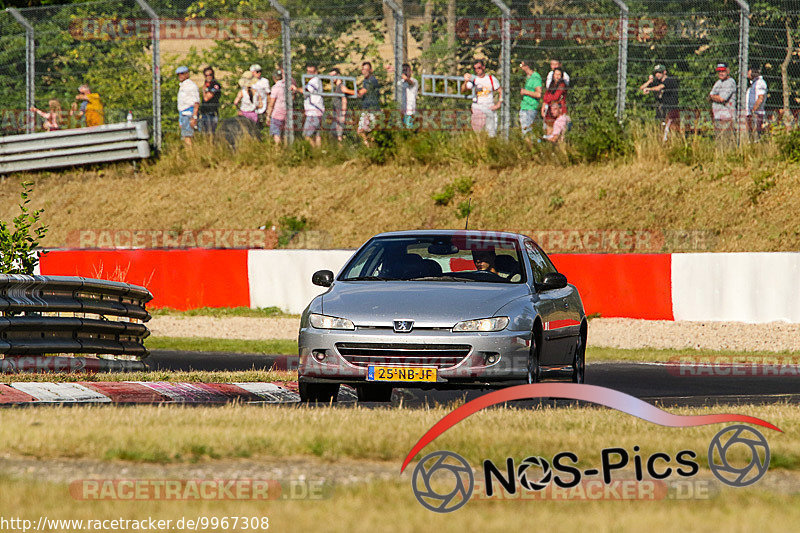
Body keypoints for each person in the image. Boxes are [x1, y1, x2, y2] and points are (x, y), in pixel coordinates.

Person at [342, 61, 381, 145]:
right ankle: (369, 145)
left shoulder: (372, 80)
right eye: (363, 69)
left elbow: (361, 92)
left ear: (371, 70)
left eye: (366, 69)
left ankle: (373, 146)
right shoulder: (365, 81)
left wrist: (347, 90)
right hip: (366, 109)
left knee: (371, 131)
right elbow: (360, 94)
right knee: (361, 130)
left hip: (373, 110)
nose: (364, 71)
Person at [461, 59, 502, 137]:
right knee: (478, 133)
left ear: (483, 67)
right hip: (478, 107)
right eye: (475, 68)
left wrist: (498, 104)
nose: (477, 70)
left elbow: (500, 91)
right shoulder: (474, 79)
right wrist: (466, 81)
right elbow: (463, 89)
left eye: (479, 68)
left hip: (489, 106)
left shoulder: (491, 79)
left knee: (491, 132)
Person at [640, 64, 680, 141]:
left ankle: (668, 141)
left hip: (670, 108)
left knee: (668, 128)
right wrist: (649, 81)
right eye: (656, 73)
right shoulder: (657, 81)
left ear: (664, 72)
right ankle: (662, 141)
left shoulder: (669, 80)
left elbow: (659, 88)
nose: (657, 74)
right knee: (660, 126)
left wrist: (649, 89)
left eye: (659, 72)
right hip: (661, 109)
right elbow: (642, 87)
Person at [292, 63, 324, 147]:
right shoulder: (313, 80)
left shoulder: (314, 81)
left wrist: (296, 89)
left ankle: (315, 152)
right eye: (308, 71)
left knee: (306, 135)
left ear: (316, 72)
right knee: (317, 135)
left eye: (311, 72)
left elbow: (305, 90)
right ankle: (320, 152)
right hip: (316, 112)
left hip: (313, 113)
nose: (309, 73)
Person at [709, 62, 737, 145]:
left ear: (728, 71)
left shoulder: (730, 82)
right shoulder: (718, 82)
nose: (721, 73)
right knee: (719, 142)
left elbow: (722, 98)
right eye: (719, 71)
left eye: (723, 71)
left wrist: (714, 97)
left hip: (727, 117)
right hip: (718, 116)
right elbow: (710, 95)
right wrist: (714, 97)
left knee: (727, 142)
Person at [175, 66, 199, 146]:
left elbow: (196, 102)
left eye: (182, 74)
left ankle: (190, 154)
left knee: (187, 136)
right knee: (185, 136)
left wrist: (194, 117)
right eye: (179, 74)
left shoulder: (191, 86)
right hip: (183, 113)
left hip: (188, 113)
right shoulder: (182, 86)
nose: (180, 76)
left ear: (187, 74)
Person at [518, 59, 542, 137]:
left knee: (528, 131)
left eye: (522, 65)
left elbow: (538, 94)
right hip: (524, 106)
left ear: (526, 66)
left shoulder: (535, 77)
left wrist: (526, 92)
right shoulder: (528, 77)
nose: (520, 67)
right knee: (524, 130)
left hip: (530, 107)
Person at [266, 69, 287, 144]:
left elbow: (272, 103)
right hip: (286, 112)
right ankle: (286, 148)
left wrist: (268, 115)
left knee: (276, 134)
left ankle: (277, 150)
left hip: (277, 113)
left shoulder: (275, 87)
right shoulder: (286, 86)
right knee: (284, 133)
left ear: (274, 77)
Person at [746, 66, 767, 141]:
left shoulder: (760, 83)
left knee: (756, 136)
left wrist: (754, 109)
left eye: (748, 71)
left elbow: (760, 98)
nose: (747, 73)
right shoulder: (754, 83)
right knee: (750, 136)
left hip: (757, 113)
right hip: (752, 113)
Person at [199, 66, 222, 134]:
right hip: (204, 113)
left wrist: (204, 90)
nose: (208, 77)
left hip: (211, 113)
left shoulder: (215, 85)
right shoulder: (207, 85)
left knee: (210, 133)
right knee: (204, 133)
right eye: (206, 75)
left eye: (210, 75)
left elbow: (206, 98)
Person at [329, 67, 347, 142]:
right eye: (331, 76)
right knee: (333, 134)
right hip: (336, 115)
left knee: (339, 136)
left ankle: (341, 150)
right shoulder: (336, 87)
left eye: (334, 75)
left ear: (338, 75)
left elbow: (344, 100)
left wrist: (343, 114)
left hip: (339, 114)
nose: (332, 78)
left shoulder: (341, 86)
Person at [250, 64, 271, 129]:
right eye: (256, 72)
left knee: (262, 123)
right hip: (253, 106)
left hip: (263, 106)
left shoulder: (264, 81)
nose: (258, 73)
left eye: (259, 71)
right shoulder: (250, 82)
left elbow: (268, 94)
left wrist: (268, 107)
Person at [399, 63, 418, 128]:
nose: (405, 72)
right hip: (402, 109)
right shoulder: (401, 82)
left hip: (410, 110)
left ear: (410, 71)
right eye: (403, 70)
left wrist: (406, 78)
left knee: (408, 128)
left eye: (406, 70)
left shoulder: (414, 81)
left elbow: (411, 83)